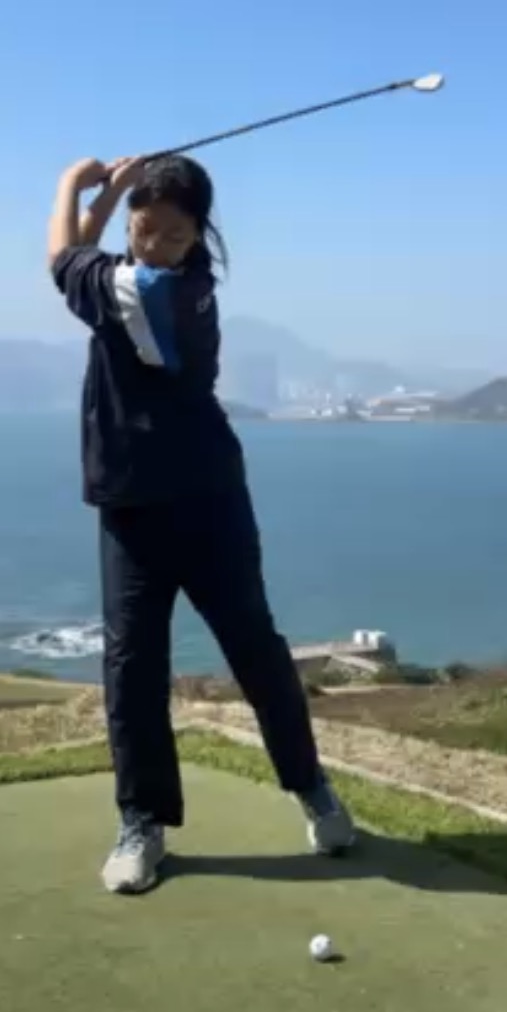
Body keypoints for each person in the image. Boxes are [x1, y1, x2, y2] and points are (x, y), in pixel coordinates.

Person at [48, 152, 355, 893]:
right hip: (134, 505)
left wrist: (72, 184)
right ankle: (141, 823)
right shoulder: (153, 276)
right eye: (144, 230)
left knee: (254, 649)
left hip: (205, 502)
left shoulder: (149, 290)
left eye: (174, 236)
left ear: (198, 237)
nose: (155, 245)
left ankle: (311, 788)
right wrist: (117, 194)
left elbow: (63, 260)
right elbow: (87, 257)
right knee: (133, 665)